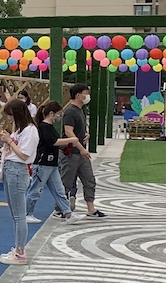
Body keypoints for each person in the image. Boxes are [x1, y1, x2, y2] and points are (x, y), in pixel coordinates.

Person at [0, 98, 37, 265]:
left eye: (11, 115)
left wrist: (9, 141)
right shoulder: (20, 130)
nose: (10, 119)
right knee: (15, 213)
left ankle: (20, 252)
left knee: (19, 214)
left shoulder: (30, 131)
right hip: (11, 169)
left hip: (18, 170)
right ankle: (18, 248)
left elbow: (24, 155)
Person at [25, 101, 77, 223]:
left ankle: (68, 213)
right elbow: (52, 141)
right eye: (58, 114)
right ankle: (27, 213)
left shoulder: (50, 127)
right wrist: (70, 140)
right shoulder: (43, 127)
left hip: (52, 164)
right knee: (36, 189)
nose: (59, 116)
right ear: (52, 113)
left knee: (59, 190)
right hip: (43, 164)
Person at [59, 84, 106, 219]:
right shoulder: (70, 111)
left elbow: (75, 130)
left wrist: (85, 135)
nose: (88, 96)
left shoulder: (79, 111)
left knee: (89, 179)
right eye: (86, 93)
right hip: (71, 152)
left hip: (80, 153)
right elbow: (68, 132)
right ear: (78, 95)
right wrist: (81, 148)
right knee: (66, 182)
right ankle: (60, 208)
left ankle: (91, 209)